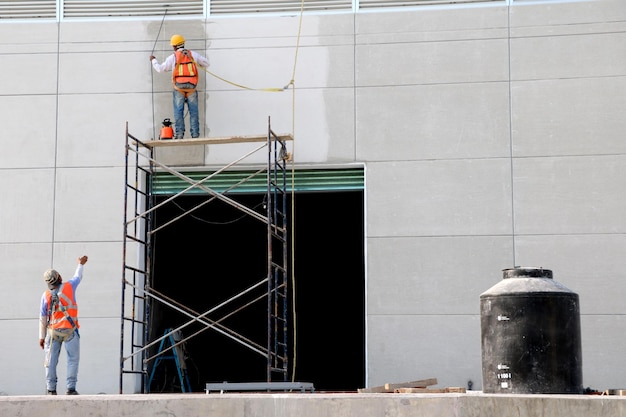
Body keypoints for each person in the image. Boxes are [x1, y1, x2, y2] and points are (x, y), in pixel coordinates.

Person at [39, 255, 88, 395]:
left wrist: (41, 337)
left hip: (53, 332)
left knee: (50, 361)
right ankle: (71, 389)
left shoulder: (45, 295)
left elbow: (42, 318)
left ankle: (51, 389)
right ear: (59, 277)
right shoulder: (69, 286)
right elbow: (78, 276)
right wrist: (80, 264)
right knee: (72, 360)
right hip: (70, 331)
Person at [150, 34, 210, 139]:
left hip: (179, 88)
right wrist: (196, 63)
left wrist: (153, 60)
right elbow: (206, 63)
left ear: (174, 46)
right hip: (191, 88)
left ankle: (179, 134)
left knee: (178, 112)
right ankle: (195, 134)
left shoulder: (173, 57)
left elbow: (160, 69)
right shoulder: (192, 54)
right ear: (183, 43)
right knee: (194, 112)